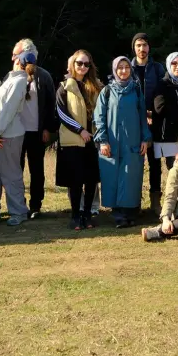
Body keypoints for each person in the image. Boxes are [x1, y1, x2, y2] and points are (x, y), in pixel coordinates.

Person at [94, 56, 150, 228]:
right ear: (114, 70)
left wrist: (145, 139)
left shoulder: (136, 90)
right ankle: (117, 214)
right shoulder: (107, 91)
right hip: (112, 143)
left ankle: (129, 213)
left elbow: (142, 116)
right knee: (112, 176)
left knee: (130, 177)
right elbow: (99, 117)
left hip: (132, 142)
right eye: (120, 67)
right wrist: (102, 140)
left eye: (126, 67)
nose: (124, 70)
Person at [55, 49, 103, 230]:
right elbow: (62, 113)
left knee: (91, 179)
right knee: (75, 181)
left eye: (86, 64)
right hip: (72, 141)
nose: (82, 67)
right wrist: (80, 130)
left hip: (92, 140)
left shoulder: (96, 86)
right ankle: (75, 215)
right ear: (72, 65)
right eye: (79, 63)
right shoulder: (64, 87)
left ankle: (87, 215)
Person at [0, 52, 34, 226]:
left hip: (8, 135)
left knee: (11, 174)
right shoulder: (11, 79)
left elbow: (9, 109)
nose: (12, 57)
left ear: (18, 61)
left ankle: (18, 211)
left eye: (15, 56)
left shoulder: (20, 81)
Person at [12, 38, 56, 219]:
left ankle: (35, 206)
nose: (13, 57)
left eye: (16, 54)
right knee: (16, 169)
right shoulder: (13, 75)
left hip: (37, 131)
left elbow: (51, 104)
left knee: (36, 170)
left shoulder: (43, 76)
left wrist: (47, 128)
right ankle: (18, 204)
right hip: (16, 132)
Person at [130, 32, 166, 213]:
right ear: (134, 48)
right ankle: (133, 201)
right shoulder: (127, 67)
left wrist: (153, 112)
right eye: (138, 45)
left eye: (144, 45)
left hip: (154, 123)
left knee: (155, 164)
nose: (141, 49)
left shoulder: (158, 68)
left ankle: (155, 201)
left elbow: (162, 91)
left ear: (149, 47)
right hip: (133, 123)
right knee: (134, 163)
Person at [151, 52, 178, 179]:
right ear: (168, 65)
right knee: (175, 171)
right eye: (174, 63)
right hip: (170, 136)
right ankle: (175, 198)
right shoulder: (162, 85)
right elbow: (160, 110)